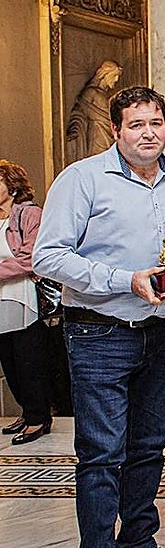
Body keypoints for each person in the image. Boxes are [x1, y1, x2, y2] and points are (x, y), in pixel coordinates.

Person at [34, 86, 165, 548]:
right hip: (100, 334)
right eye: (136, 125)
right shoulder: (81, 179)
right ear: (115, 130)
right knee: (102, 456)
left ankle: (138, 545)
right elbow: (48, 256)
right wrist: (122, 281)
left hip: (160, 332)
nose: (149, 133)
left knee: (149, 448)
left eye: (157, 122)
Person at [0, 160, 53, 445]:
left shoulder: (29, 214)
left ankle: (38, 418)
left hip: (23, 297)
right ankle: (26, 410)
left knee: (28, 361)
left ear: (12, 185)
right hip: (0, 298)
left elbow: (32, 258)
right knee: (8, 362)